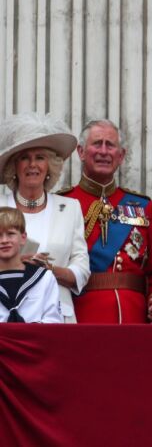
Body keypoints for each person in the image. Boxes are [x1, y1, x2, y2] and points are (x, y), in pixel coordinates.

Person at [61, 119, 152, 324]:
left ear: (121, 156)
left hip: (133, 316)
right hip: (81, 316)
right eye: (97, 143)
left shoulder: (142, 205)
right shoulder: (63, 203)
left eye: (110, 145)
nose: (104, 151)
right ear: (81, 151)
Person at [0, 112, 90, 323]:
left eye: (40, 157)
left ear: (50, 166)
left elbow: (82, 267)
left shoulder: (69, 208)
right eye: (25, 158)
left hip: (58, 316)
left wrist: (50, 270)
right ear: (15, 167)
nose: (33, 165)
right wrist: (16, 263)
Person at [0, 206, 63, 323]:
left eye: (10, 234)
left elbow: (53, 322)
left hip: (36, 340)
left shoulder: (44, 278)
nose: (4, 240)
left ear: (23, 238)